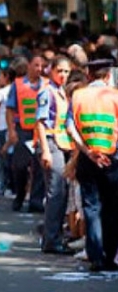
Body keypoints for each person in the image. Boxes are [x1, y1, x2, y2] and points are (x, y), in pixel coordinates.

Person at [68, 57, 118, 271]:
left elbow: (70, 126)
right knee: (112, 208)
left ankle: (95, 256)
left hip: (87, 159)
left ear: (89, 75)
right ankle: (109, 256)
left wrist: (88, 152)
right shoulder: (115, 96)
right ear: (108, 76)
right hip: (112, 157)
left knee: (91, 207)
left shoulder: (78, 96)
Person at [35, 56, 74, 254]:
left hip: (61, 144)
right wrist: (46, 151)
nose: (63, 75)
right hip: (51, 144)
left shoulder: (61, 93)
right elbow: (41, 122)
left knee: (61, 192)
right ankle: (51, 240)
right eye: (59, 71)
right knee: (56, 192)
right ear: (52, 71)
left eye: (66, 72)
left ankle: (54, 237)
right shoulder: (47, 92)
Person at [6, 55, 48, 212]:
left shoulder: (46, 85)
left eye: (42, 66)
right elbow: (10, 109)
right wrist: (11, 131)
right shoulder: (17, 85)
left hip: (41, 131)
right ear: (29, 65)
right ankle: (20, 194)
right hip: (23, 131)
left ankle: (35, 201)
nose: (39, 69)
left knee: (39, 167)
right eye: (36, 65)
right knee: (20, 166)